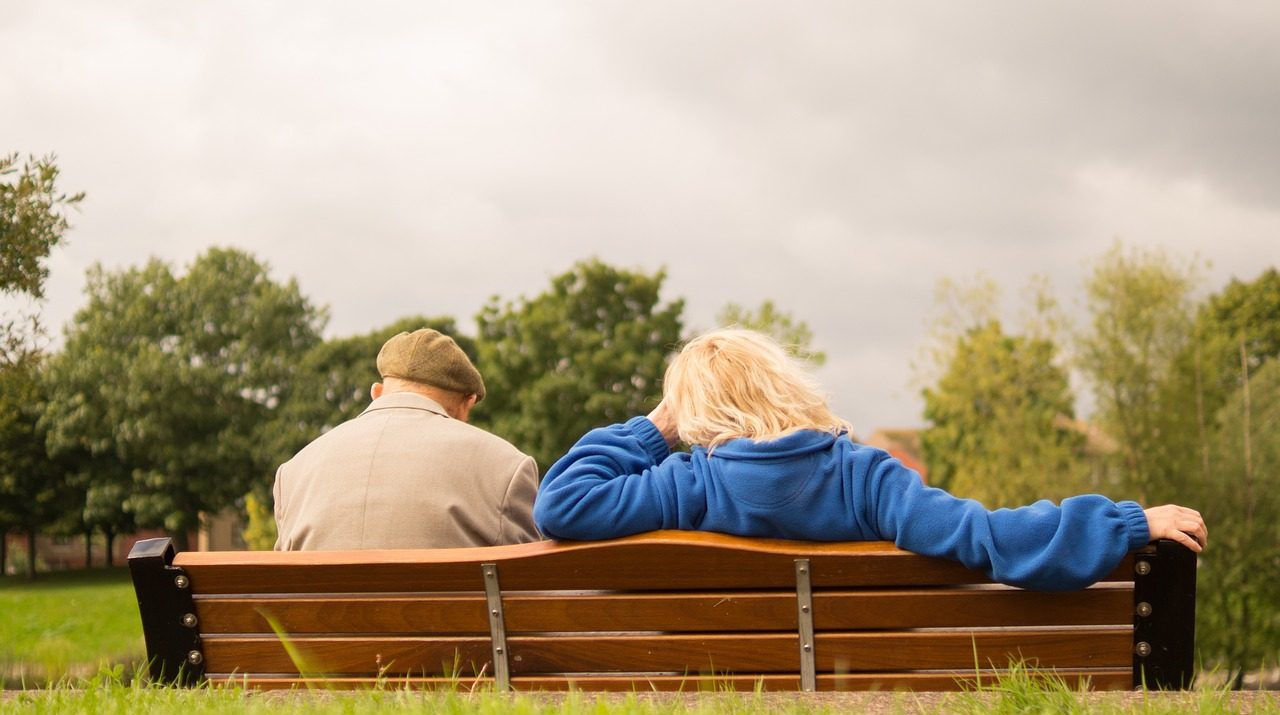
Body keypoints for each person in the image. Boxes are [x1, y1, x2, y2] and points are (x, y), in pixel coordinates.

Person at [533, 328, 1207, 590]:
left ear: (695, 414)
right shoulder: (866, 476)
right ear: (785, 385)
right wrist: (1123, 523)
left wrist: (655, 429)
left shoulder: (684, 483)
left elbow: (561, 503)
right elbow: (985, 536)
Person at [274, 328, 540, 550]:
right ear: (466, 402)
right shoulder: (506, 466)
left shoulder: (293, 472)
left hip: (317, 616)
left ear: (376, 392)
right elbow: (529, 589)